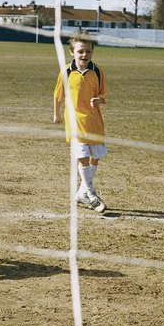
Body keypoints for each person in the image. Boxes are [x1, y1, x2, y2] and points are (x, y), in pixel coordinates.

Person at [53, 30, 108, 213]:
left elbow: (103, 93)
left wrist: (99, 100)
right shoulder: (66, 72)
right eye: (80, 51)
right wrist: (57, 114)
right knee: (82, 157)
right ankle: (91, 195)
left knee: (95, 157)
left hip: (94, 121)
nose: (84, 55)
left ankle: (81, 193)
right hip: (74, 121)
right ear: (72, 52)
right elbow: (58, 95)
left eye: (88, 51)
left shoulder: (97, 71)